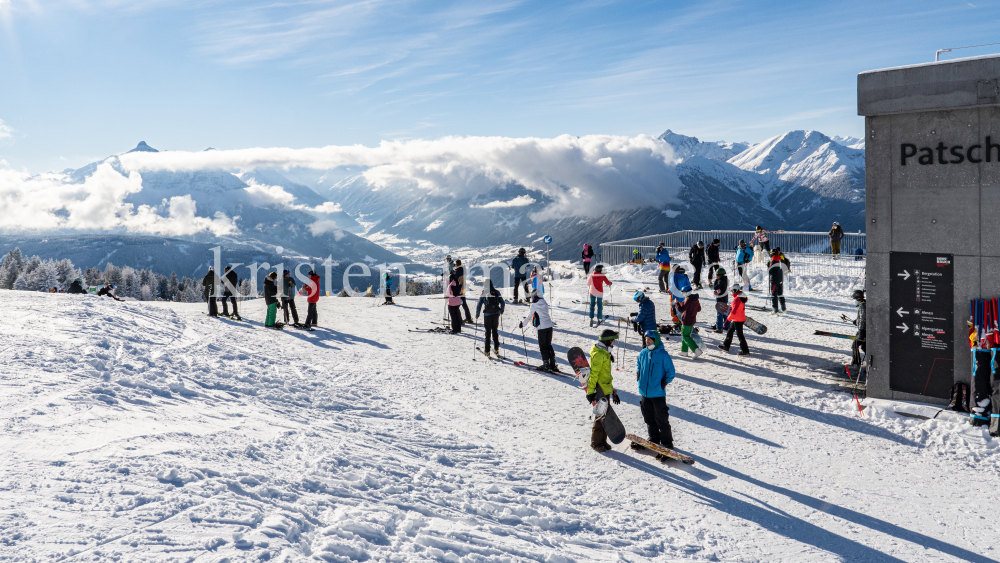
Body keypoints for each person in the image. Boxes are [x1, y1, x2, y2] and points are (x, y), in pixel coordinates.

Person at [633, 329, 676, 455]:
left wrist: (664, 382)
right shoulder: (643, 353)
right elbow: (638, 365)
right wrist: (638, 374)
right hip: (644, 393)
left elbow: (671, 372)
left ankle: (667, 442)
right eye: (646, 340)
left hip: (657, 393)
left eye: (650, 340)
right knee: (648, 418)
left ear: (656, 341)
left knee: (661, 418)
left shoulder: (663, 355)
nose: (648, 342)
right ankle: (654, 438)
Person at [587, 329, 620, 452]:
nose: (613, 344)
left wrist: (612, 390)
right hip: (599, 391)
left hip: (605, 389)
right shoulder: (599, 355)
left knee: (605, 417)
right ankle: (596, 442)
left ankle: (603, 441)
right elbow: (594, 375)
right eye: (612, 342)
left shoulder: (604, 352)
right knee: (600, 417)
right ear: (607, 342)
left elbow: (605, 375)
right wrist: (591, 392)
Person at [519, 282, 557, 372]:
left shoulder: (534, 305)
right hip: (549, 326)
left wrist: (522, 324)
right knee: (548, 345)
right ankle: (553, 364)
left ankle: (546, 365)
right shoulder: (544, 302)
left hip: (542, 328)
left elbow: (529, 317)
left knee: (543, 346)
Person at [475, 280, 506, 357]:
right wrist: (501, 310)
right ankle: (496, 349)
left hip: (487, 315)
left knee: (488, 333)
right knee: (495, 332)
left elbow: (479, 304)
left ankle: (487, 351)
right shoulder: (496, 292)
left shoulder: (484, 293)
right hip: (496, 314)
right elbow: (502, 302)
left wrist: (477, 314)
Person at [719, 284, 749, 356]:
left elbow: (734, 312)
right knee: (730, 331)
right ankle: (726, 346)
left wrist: (727, 320)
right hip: (738, 318)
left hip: (738, 319)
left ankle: (745, 351)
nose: (731, 292)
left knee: (740, 335)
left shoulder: (737, 299)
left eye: (732, 290)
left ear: (735, 290)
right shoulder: (739, 297)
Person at [676, 294, 702, 358]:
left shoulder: (689, 300)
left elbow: (681, 309)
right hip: (692, 320)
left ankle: (696, 350)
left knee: (685, 336)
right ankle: (684, 351)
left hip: (687, 321)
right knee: (685, 335)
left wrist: (677, 303)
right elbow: (699, 309)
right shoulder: (696, 300)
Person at [454, 259, 473, 324]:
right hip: (463, 289)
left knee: (456, 305)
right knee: (464, 304)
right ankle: (469, 318)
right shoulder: (463, 269)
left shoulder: (458, 270)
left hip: (459, 290)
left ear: (456, 265)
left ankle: (460, 320)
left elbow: (455, 280)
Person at [851, 289, 866, 369]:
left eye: (854, 298)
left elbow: (863, 319)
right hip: (865, 330)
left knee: (855, 345)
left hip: (864, 331)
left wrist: (861, 332)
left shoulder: (862, 306)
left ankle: (856, 364)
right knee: (865, 347)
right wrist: (856, 321)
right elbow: (862, 319)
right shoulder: (864, 304)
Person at [712, 268, 730, 332]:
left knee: (719, 314)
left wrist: (715, 281)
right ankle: (726, 326)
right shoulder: (725, 279)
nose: (716, 276)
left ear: (720, 275)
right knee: (725, 313)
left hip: (721, 300)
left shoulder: (721, 281)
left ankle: (719, 328)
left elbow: (715, 287)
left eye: (717, 274)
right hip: (724, 299)